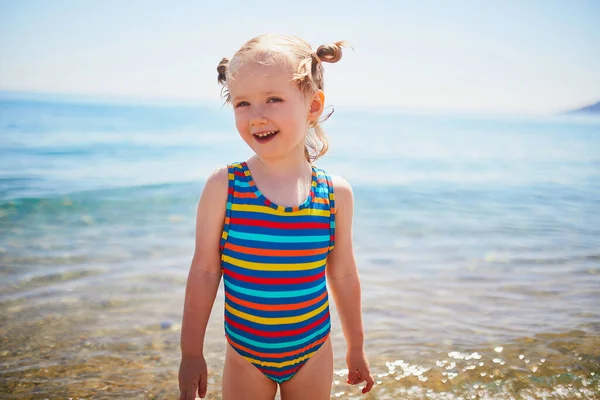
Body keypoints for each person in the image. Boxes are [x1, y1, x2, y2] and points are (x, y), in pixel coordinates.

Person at [178, 34, 374, 400]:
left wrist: (356, 347)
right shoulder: (226, 185)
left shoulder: (335, 194)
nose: (257, 115)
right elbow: (205, 271)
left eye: (273, 99)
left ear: (313, 106)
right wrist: (191, 353)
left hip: (313, 349)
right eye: (242, 103)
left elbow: (344, 273)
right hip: (245, 353)